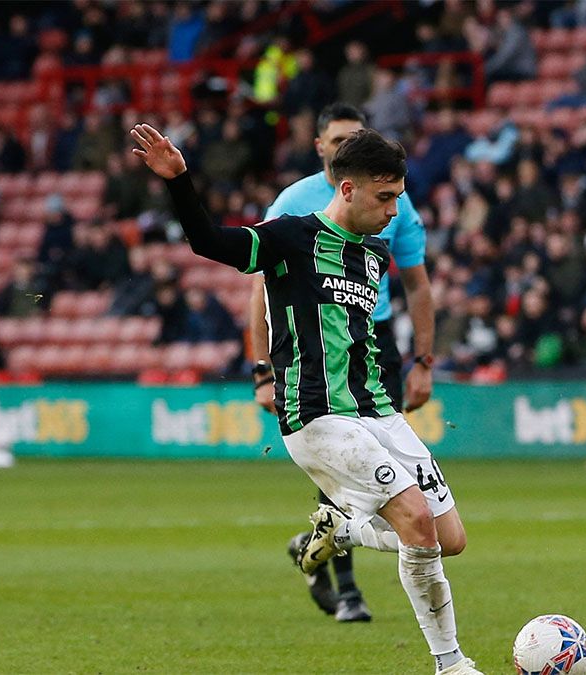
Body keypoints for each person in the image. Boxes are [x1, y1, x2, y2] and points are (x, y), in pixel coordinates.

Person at [133, 124, 480, 675]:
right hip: (317, 416)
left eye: (398, 196)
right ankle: (451, 663)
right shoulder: (289, 237)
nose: (394, 210)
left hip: (380, 414)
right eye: (384, 197)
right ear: (347, 190)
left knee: (450, 539)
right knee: (415, 521)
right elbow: (209, 242)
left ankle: (343, 529)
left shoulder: (374, 256)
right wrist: (179, 182)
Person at [255, 103, 436, 623]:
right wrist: (262, 367)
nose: (342, 147)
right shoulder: (294, 202)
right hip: (313, 341)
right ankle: (350, 588)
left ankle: (327, 543)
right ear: (320, 147)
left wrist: (424, 358)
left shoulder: (392, 200)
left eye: (351, 139)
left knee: (381, 473)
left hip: (374, 341)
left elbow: (416, 282)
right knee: (345, 462)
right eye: (335, 140)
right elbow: (259, 291)